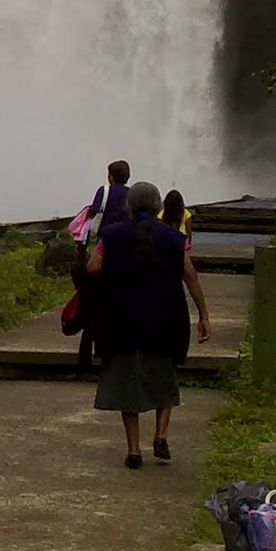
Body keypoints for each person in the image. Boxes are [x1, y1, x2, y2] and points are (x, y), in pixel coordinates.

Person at [85, 180, 210, 469]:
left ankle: (133, 451)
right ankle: (161, 434)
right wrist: (203, 315)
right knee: (164, 377)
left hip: (122, 321)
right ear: (158, 207)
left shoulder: (111, 236)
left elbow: (93, 267)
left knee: (128, 384)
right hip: (165, 320)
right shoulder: (173, 238)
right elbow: (189, 274)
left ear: (129, 206)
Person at [72, 160, 132, 373]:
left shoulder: (104, 191)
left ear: (110, 176)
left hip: (101, 252)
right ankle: (114, 358)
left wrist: (82, 246)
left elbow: (93, 214)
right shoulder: (132, 195)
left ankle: (85, 361)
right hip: (124, 254)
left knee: (92, 306)